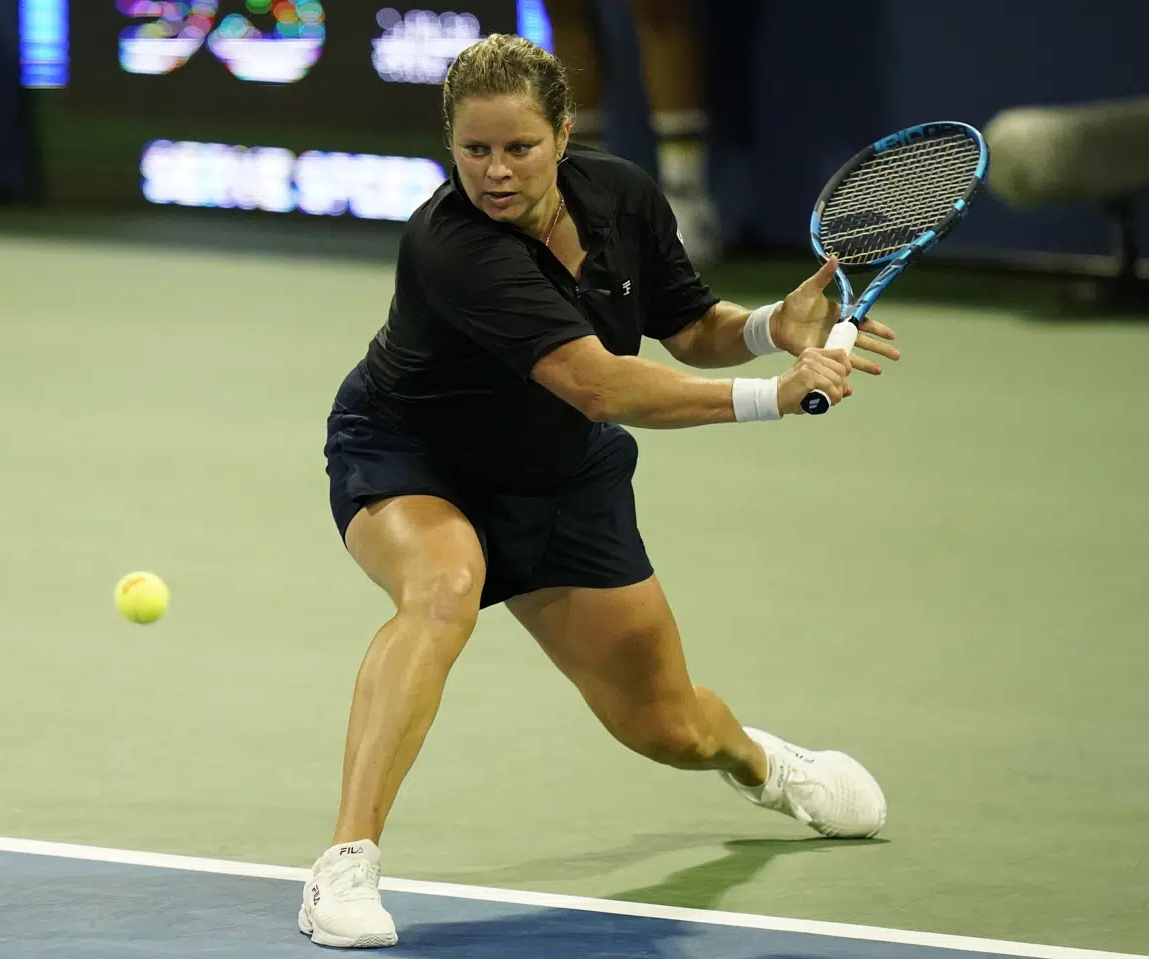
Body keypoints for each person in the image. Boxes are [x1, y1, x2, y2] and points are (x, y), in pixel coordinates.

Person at [299, 34, 899, 950]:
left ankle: (764, 762)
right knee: (444, 588)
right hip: (413, 458)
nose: (495, 172)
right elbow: (599, 385)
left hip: (560, 477)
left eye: (519, 148)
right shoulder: (451, 245)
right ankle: (344, 862)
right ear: (450, 146)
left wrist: (776, 325)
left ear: (564, 134)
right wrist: (773, 397)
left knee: (666, 725)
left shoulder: (621, 196)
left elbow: (693, 327)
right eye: (474, 150)